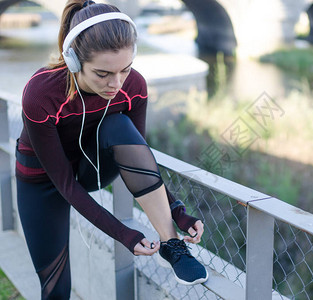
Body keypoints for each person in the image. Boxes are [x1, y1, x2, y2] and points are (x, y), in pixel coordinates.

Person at [15, 1, 208, 298]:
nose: (115, 84)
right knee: (56, 287)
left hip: (93, 167)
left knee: (117, 125)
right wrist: (123, 234)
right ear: (74, 61)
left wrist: (177, 212)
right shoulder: (41, 94)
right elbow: (64, 183)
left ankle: (171, 244)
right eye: (103, 74)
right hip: (43, 180)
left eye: (125, 70)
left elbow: (138, 161)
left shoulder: (134, 86)